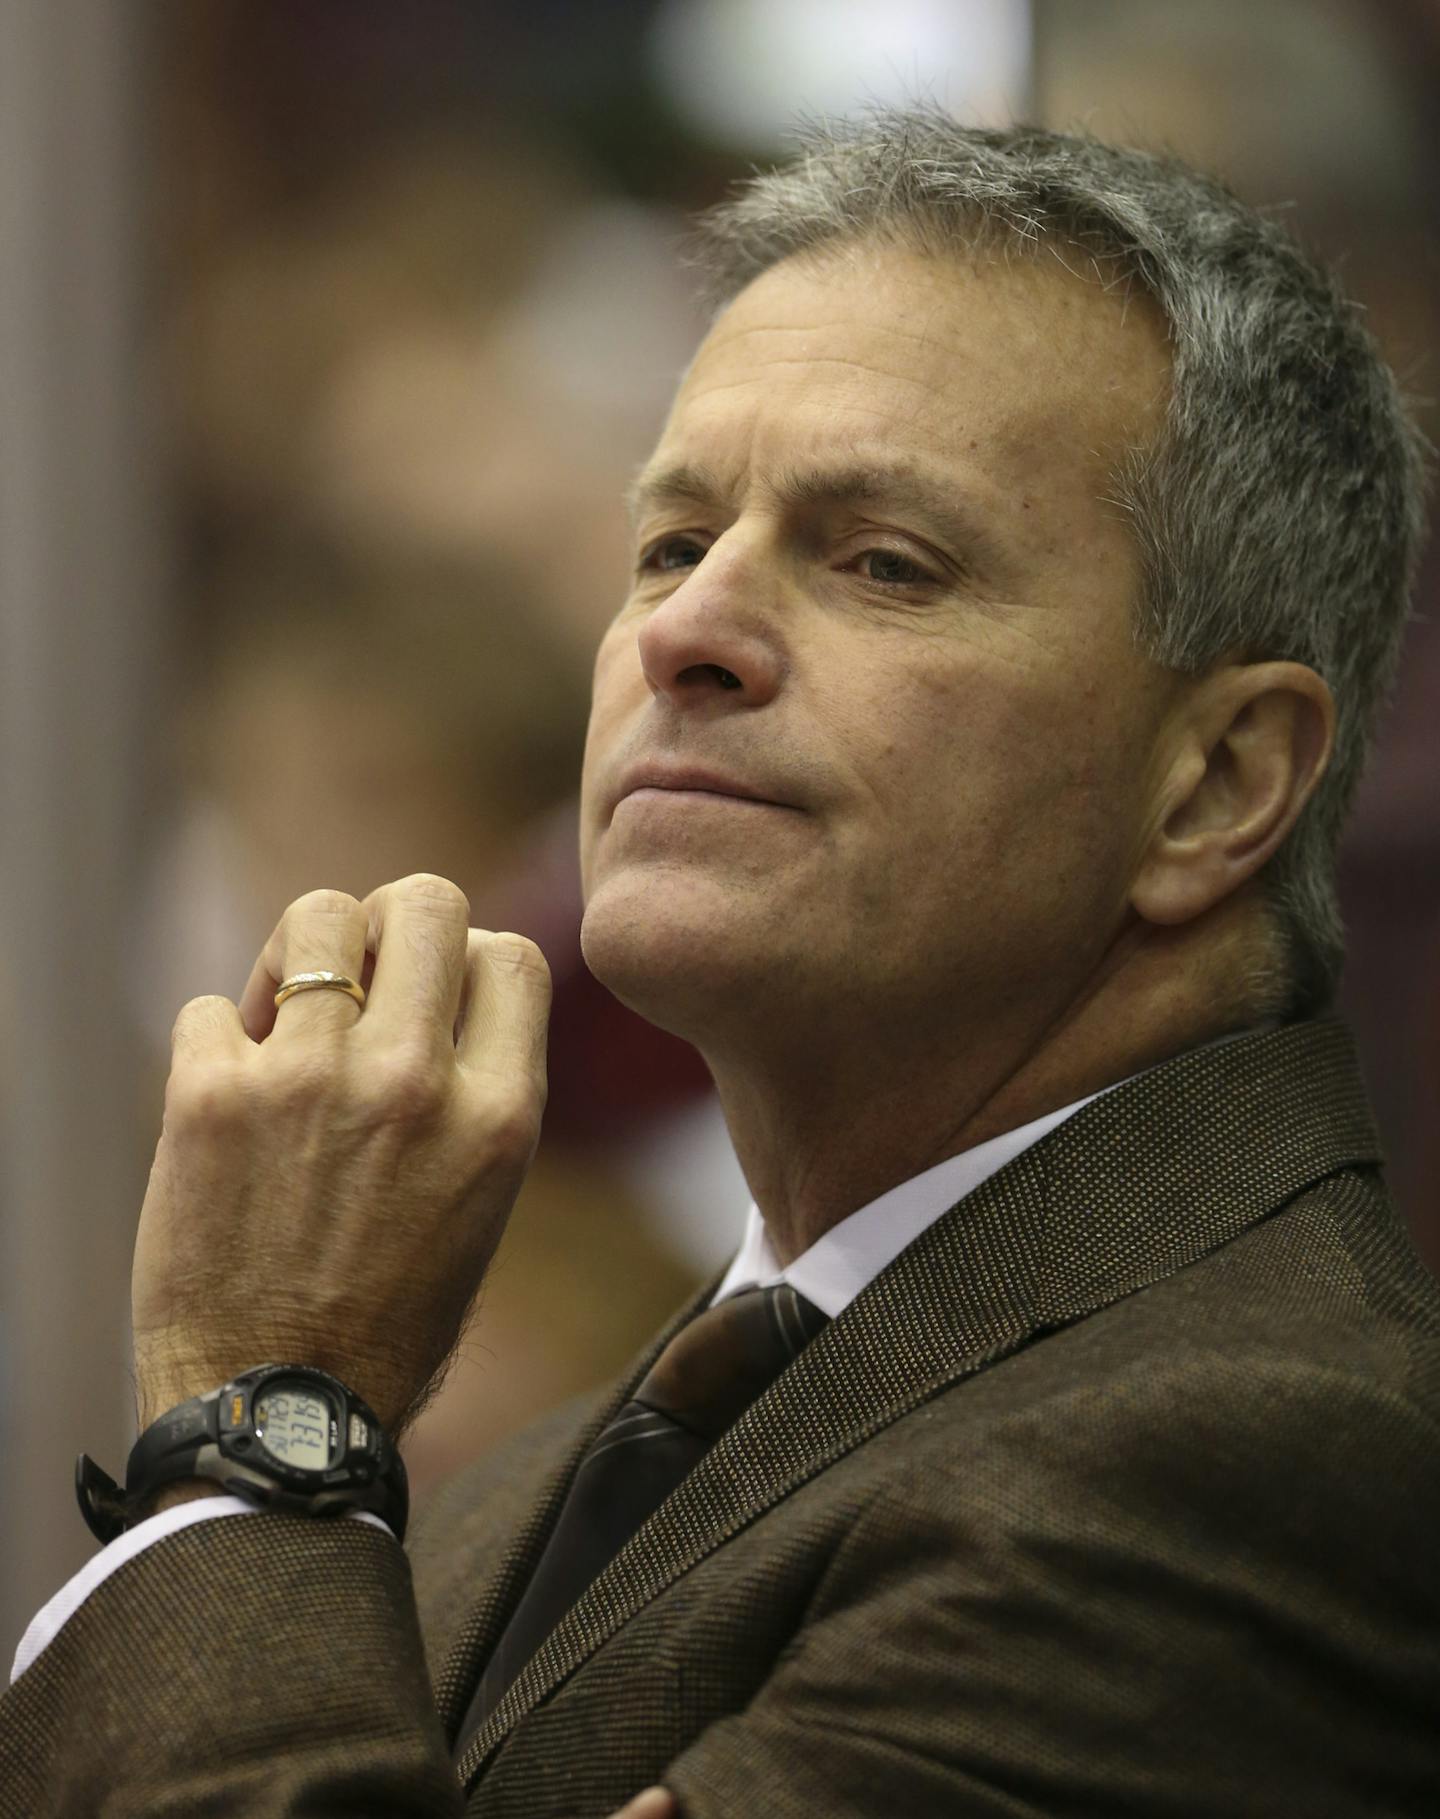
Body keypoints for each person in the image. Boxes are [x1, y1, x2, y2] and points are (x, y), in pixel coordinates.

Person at [4, 110, 1438, 1817]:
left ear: (1216, 782)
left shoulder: (1249, 1462)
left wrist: (262, 1420)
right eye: (675, 544)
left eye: (886, 563)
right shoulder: (552, 1469)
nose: (684, 633)